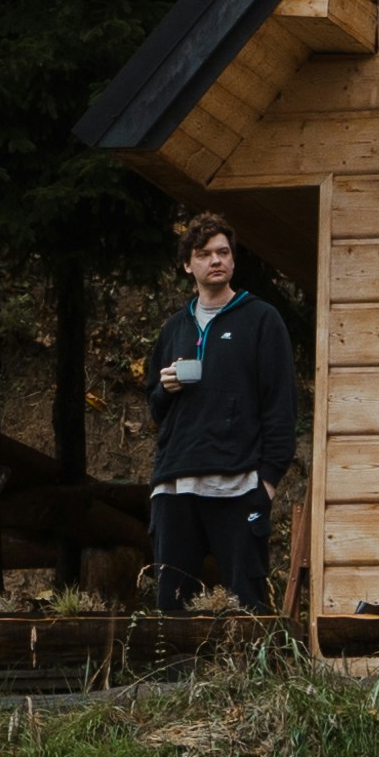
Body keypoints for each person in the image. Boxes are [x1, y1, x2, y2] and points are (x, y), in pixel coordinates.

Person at [140, 215, 300, 616]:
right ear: (187, 265)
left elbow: (281, 404)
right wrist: (166, 388)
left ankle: (251, 680)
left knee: (247, 605)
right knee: (171, 608)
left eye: (223, 252)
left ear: (233, 260)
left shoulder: (261, 319)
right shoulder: (174, 328)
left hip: (238, 482)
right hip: (176, 484)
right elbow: (155, 407)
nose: (216, 260)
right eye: (205, 254)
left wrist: (267, 480)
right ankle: (172, 681)